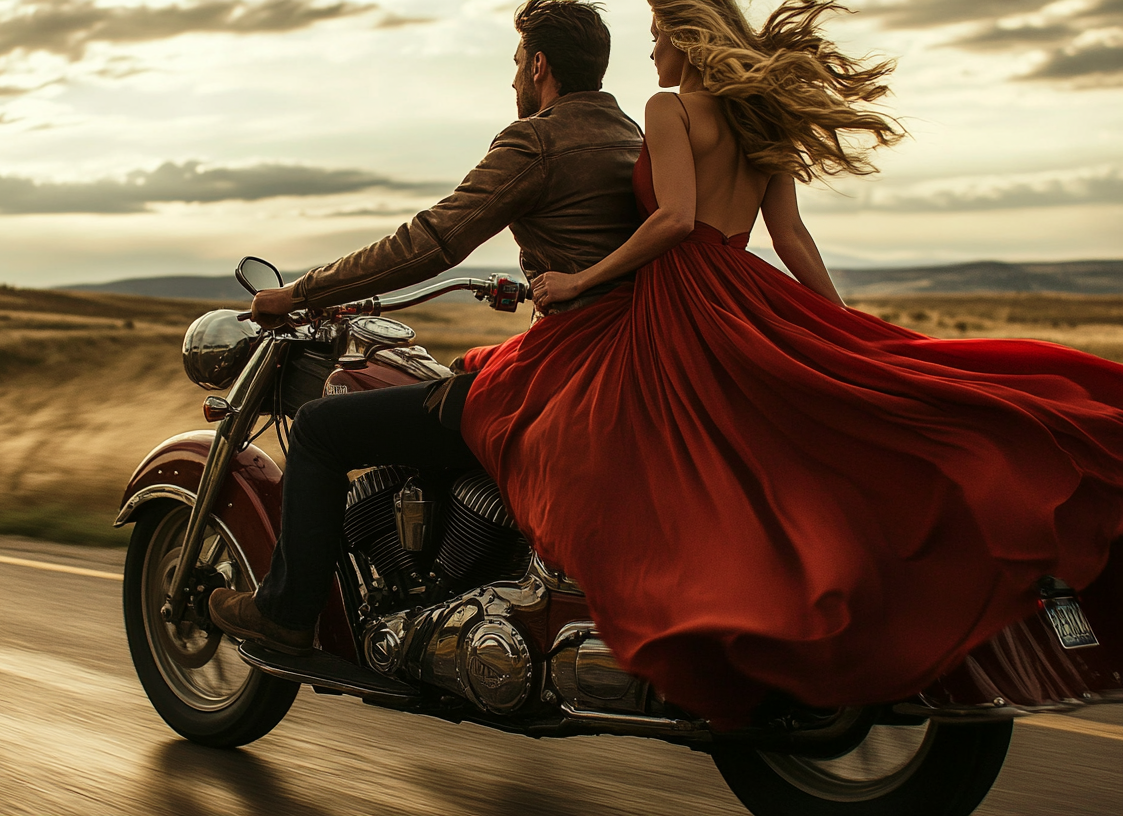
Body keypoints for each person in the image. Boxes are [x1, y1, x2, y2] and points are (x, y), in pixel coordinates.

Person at [459, 0, 1123, 724]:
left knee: (678, 469)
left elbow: (676, 219)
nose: (651, 58)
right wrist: (843, 331)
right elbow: (793, 238)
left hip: (686, 301)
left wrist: (580, 282)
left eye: (656, 40)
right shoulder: (760, 119)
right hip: (745, 287)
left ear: (685, 39)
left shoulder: (667, 109)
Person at [209, 0, 644, 652]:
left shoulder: (539, 140)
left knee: (325, 429)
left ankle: (288, 611)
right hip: (623, 368)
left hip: (566, 376)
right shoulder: (629, 136)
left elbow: (431, 241)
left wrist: (300, 291)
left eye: (517, 63)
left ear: (540, 64)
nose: (514, 80)